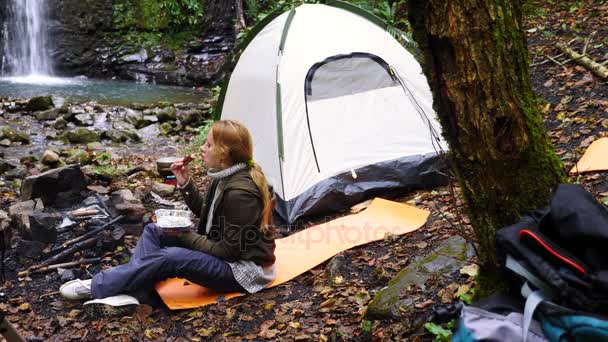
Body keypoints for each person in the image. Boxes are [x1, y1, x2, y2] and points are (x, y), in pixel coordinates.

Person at [59, 120, 277, 317]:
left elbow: (229, 252)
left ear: (225, 153)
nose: (202, 148)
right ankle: (135, 293)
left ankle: (99, 285)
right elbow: (208, 214)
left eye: (208, 145)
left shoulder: (241, 193)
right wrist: (184, 182)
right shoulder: (223, 176)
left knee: (171, 257)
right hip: (224, 254)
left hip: (243, 270)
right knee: (155, 230)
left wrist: (184, 235)